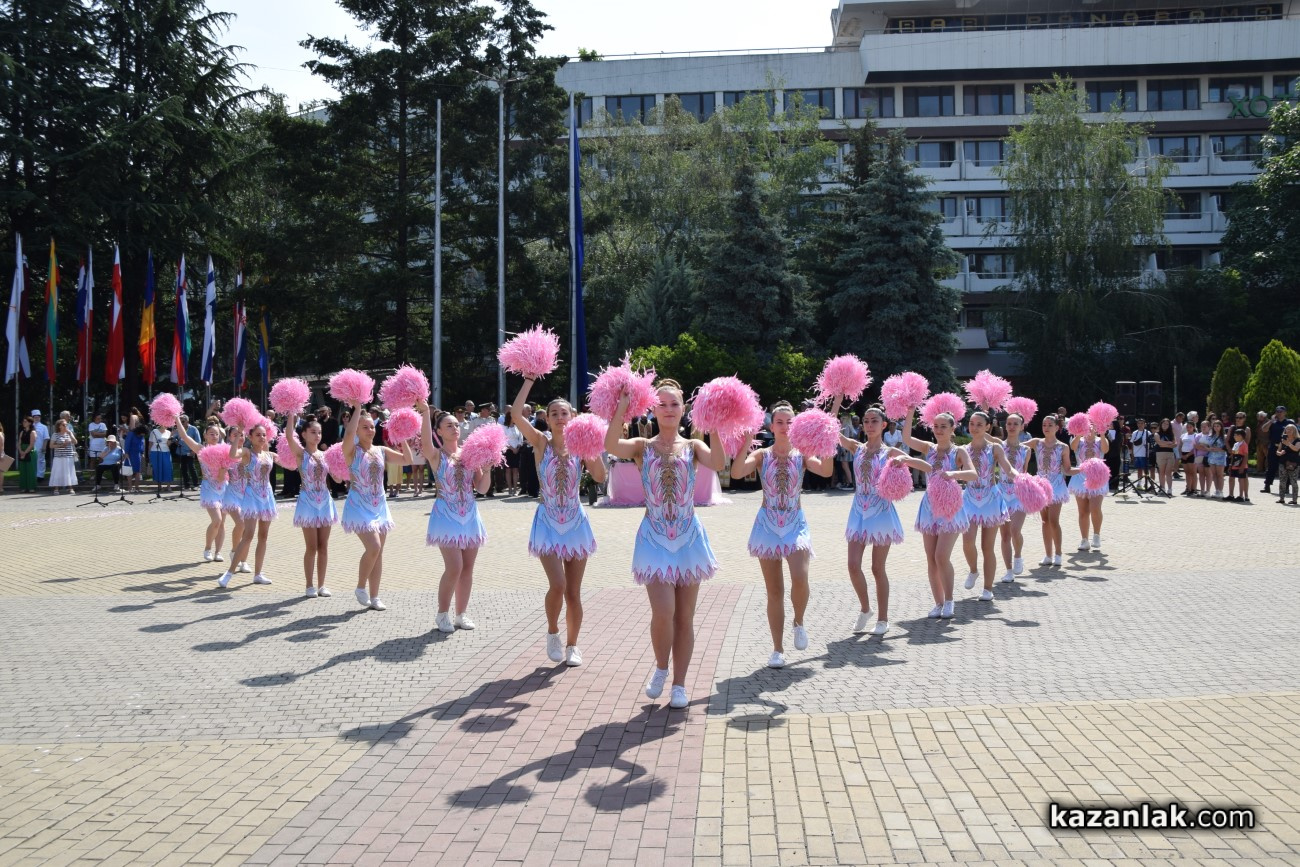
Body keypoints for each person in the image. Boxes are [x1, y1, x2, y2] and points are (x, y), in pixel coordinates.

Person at [604, 379, 725, 709]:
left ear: (683, 409)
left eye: (674, 404)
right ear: (653, 410)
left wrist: (713, 423)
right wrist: (622, 405)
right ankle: (661, 667)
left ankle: (679, 684)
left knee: (684, 617)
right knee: (663, 611)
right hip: (654, 539)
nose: (669, 410)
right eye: (662, 404)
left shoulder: (694, 446)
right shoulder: (642, 446)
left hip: (688, 539)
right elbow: (611, 443)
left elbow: (719, 463)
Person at [511, 380, 607, 667]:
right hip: (548, 522)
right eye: (554, 413)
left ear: (573, 417)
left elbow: (600, 477)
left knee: (573, 592)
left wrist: (591, 446)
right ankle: (553, 632)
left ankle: (572, 645)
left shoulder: (581, 446)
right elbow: (516, 414)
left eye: (564, 413)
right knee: (558, 584)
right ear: (548, 419)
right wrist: (529, 380)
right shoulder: (541, 442)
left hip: (575, 522)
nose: (560, 417)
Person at [730, 400, 833, 667]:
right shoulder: (762, 455)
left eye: (790, 422)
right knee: (774, 591)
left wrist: (828, 442)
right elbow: (737, 472)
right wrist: (746, 441)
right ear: (771, 426)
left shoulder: (802, 454)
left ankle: (799, 622)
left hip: (795, 523)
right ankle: (777, 649)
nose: (785, 426)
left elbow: (826, 470)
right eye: (780, 422)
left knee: (800, 577)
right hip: (767, 525)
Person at [898, 404, 977, 619]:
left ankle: (949, 600)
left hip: (950, 508)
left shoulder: (959, 451)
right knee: (931, 559)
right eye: (936, 426)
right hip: (929, 507)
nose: (939, 430)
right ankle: (938, 603)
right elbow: (906, 438)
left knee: (942, 556)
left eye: (943, 426)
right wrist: (910, 410)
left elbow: (973, 474)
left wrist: (953, 474)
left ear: (952, 429)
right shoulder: (929, 448)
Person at [837, 405, 906, 637]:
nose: (869, 424)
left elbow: (922, 465)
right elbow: (831, 429)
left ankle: (883, 618)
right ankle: (865, 609)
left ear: (884, 424)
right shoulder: (856, 447)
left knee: (877, 568)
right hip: (858, 511)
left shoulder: (890, 452)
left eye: (874, 420)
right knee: (853, 565)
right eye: (866, 420)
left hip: (881, 512)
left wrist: (903, 461)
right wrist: (838, 397)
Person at [420, 400, 489, 629]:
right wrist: (424, 412)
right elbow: (425, 441)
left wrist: (487, 468)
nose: (454, 428)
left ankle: (461, 614)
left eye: (456, 425)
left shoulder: (470, 455)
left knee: (467, 568)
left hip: (469, 515)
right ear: (439, 431)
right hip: (446, 515)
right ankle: (442, 613)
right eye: (448, 425)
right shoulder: (436, 454)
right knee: (454, 567)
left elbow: (482, 488)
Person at [340, 399, 412, 611]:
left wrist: (401, 437)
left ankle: (375, 597)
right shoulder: (351, 450)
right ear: (357, 430)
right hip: (359, 505)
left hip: (379, 505)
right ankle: (360, 587)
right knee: (374, 547)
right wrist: (357, 407)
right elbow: (348, 433)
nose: (370, 430)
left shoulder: (381, 450)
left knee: (378, 553)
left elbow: (407, 460)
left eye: (372, 426)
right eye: (365, 427)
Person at [960, 411, 1017, 599]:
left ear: (987, 427)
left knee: (987, 547)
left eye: (979, 424)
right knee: (967, 541)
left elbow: (1008, 468)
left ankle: (988, 589)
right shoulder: (962, 450)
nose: (974, 427)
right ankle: (973, 569)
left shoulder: (995, 448)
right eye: (971, 423)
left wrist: (1022, 479)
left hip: (990, 500)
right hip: (969, 499)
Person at [218, 421, 278, 588]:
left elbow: (292, 463)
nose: (261, 437)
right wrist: (238, 432)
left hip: (267, 497)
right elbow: (232, 455)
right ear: (250, 437)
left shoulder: (269, 454)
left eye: (264, 435)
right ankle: (229, 572)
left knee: (263, 536)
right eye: (257, 435)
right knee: (248, 534)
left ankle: (258, 574)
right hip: (251, 496)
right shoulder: (246, 452)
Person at [284, 411, 337, 597]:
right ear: (304, 434)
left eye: (319, 432)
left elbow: (337, 478)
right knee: (311, 547)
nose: (317, 435)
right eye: (313, 432)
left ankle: (322, 585)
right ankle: (309, 585)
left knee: (323, 546)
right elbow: (289, 436)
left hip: (325, 501)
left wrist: (340, 473)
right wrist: (291, 412)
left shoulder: (326, 455)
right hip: (307, 502)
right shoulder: (301, 454)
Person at [174, 421, 230, 562]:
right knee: (216, 520)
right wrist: (177, 419)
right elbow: (185, 436)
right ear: (205, 435)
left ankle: (218, 552)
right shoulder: (200, 449)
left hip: (224, 487)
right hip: (209, 488)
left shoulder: (224, 449)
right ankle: (207, 548)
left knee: (222, 523)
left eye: (216, 434)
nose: (214, 436)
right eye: (211, 433)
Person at [1024, 415, 1075, 566]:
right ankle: (1048, 555)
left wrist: (1083, 469)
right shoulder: (1036, 442)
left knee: (1053, 520)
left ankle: (1058, 554)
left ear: (1057, 428)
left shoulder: (1063, 447)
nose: (1046, 427)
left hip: (1056, 487)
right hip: (1041, 487)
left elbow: (1067, 469)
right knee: (1045, 521)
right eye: (1044, 425)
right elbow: (1012, 445)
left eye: (1050, 425)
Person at [998, 411, 1034, 583]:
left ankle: (1018, 555)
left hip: (1019, 493)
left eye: (1015, 424)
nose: (1012, 427)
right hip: (1001, 493)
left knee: (1015, 530)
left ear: (1022, 427)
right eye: (1009, 423)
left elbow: (1024, 471)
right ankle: (1009, 570)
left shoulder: (1026, 450)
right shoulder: (998, 447)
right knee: (1005, 535)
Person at [1068, 419, 1110, 552]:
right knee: (1083, 511)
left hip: (1097, 476)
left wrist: (1102, 434)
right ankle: (1084, 540)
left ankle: (1096, 535)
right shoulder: (1078, 440)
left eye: (1092, 427)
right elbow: (1072, 447)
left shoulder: (1100, 440)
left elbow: (1105, 449)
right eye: (1087, 427)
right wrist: (1078, 434)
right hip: (1080, 476)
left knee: (1095, 508)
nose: (1089, 429)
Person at [1263, 406, 1294, 494]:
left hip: (1286, 448)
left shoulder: (1289, 422)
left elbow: (1295, 434)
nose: (1279, 413)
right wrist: (1271, 421)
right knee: (1271, 467)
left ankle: (1286, 487)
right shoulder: (1273, 422)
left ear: (1285, 413)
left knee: (1286, 467)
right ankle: (1267, 486)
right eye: (1277, 411)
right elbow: (1264, 429)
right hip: (1274, 447)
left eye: (1281, 411)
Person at [49, 418, 79, 493]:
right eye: (64, 425)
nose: (65, 426)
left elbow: (75, 442)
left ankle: (70, 487)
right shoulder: (55, 434)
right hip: (59, 457)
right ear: (59, 426)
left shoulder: (69, 433)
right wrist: (61, 445)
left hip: (68, 456)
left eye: (66, 425)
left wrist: (70, 434)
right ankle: (56, 488)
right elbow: (51, 446)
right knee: (58, 472)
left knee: (69, 472)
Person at [172, 414, 200, 490]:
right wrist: (176, 442)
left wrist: (193, 451)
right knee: (183, 469)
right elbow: (173, 438)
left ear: (187, 421)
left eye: (183, 421)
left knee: (191, 467)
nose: (182, 423)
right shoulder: (178, 429)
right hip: (181, 452)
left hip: (190, 451)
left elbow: (198, 440)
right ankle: (187, 485)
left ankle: (196, 485)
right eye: (180, 422)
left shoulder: (193, 429)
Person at [1276, 423, 1300, 504]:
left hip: (1293, 464)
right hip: (1283, 462)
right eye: (1287, 429)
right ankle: (1281, 499)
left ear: (1294, 431)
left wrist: (1288, 443)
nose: (1288, 431)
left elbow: (1296, 449)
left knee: (1293, 482)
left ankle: (1294, 500)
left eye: (1290, 429)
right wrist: (1279, 453)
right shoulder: (1283, 440)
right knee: (1282, 481)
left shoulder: (1298, 440)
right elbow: (1278, 451)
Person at [1204, 419, 1228, 499]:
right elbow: (1206, 445)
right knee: (1214, 475)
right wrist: (1209, 449)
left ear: (1221, 427)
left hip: (1220, 457)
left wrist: (1218, 449)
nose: (1216, 428)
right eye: (1214, 426)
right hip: (1211, 457)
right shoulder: (1211, 436)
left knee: (1220, 475)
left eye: (1218, 426)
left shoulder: (1224, 437)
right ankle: (1217, 490)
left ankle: (1220, 491)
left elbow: (1227, 448)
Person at [503, 408, 524, 496]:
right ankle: (510, 489)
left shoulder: (517, 427)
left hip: (517, 450)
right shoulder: (504, 427)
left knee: (515, 470)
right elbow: (503, 440)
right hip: (508, 450)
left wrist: (518, 447)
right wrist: (512, 448)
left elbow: (521, 438)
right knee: (508, 470)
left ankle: (515, 489)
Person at [147, 422, 174, 492]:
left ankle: (168, 486)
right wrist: (149, 453)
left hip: (166, 451)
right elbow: (150, 443)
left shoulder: (169, 432)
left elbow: (168, 444)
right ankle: (159, 486)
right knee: (157, 468)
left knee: (168, 467)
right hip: (155, 451)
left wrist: (172, 437)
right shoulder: (154, 431)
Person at [1154, 419, 1177, 496]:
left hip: (1170, 454)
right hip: (1160, 453)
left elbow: (1175, 444)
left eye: (1167, 424)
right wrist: (1169, 443)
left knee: (1168, 472)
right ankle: (1162, 488)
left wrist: (1165, 444)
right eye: (1164, 423)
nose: (1165, 425)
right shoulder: (1157, 433)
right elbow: (1159, 443)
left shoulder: (1171, 434)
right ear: (1161, 424)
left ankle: (1170, 489)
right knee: (1162, 472)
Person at [1227, 427, 1250, 503]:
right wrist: (1230, 464)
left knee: (1241, 480)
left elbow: (1245, 456)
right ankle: (1231, 495)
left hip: (1241, 465)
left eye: (1236, 435)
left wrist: (1242, 467)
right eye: (1234, 435)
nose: (1234, 436)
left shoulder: (1244, 445)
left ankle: (1241, 496)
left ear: (1241, 436)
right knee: (1231, 478)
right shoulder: (1235, 444)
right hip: (1234, 465)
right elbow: (1233, 454)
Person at [16, 416, 37, 493]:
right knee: (23, 470)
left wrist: (25, 453)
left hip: (30, 452)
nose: (23, 423)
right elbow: (19, 443)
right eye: (23, 421)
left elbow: (31, 444)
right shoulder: (22, 432)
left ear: (30, 423)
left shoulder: (33, 432)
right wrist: (20, 451)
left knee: (30, 470)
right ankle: (23, 487)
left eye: (25, 421)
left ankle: (31, 487)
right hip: (22, 450)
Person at [1179, 422, 1199, 496]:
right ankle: (1188, 488)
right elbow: (1180, 446)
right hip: (1184, 454)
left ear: (1193, 427)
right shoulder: (1183, 435)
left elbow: (1196, 447)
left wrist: (1188, 455)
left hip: (1192, 454)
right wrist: (1181, 454)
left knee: (1193, 472)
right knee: (1187, 472)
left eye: (1190, 427)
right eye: (1187, 427)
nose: (1188, 428)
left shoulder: (1196, 435)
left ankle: (1194, 489)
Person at [31, 410, 49, 484]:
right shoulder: (30, 426)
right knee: (32, 461)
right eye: (35, 417)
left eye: (38, 417)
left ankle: (40, 476)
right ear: (32, 418)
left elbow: (46, 438)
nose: (37, 418)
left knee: (41, 461)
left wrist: (44, 447)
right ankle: (32, 475)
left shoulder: (44, 427)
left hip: (40, 446)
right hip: (31, 447)